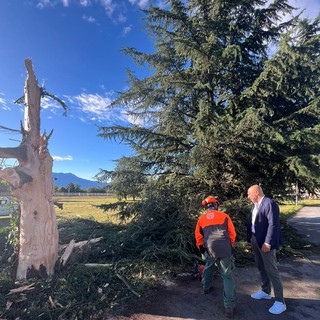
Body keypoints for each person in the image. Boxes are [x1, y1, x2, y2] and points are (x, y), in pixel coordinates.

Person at [247, 184, 286, 315]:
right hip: (255, 240)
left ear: (256, 193)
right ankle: (265, 291)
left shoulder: (269, 203)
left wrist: (268, 242)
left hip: (265, 243)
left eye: (249, 194)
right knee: (261, 267)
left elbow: (273, 224)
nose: (248, 197)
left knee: (271, 270)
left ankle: (280, 302)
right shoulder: (256, 205)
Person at [195, 196, 237, 318]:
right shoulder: (224, 216)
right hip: (224, 248)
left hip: (209, 248)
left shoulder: (201, 219)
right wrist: (229, 246)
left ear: (206, 207)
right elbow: (232, 234)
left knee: (208, 266)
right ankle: (229, 307)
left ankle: (205, 287)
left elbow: (198, 237)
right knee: (227, 276)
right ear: (216, 205)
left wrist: (203, 249)